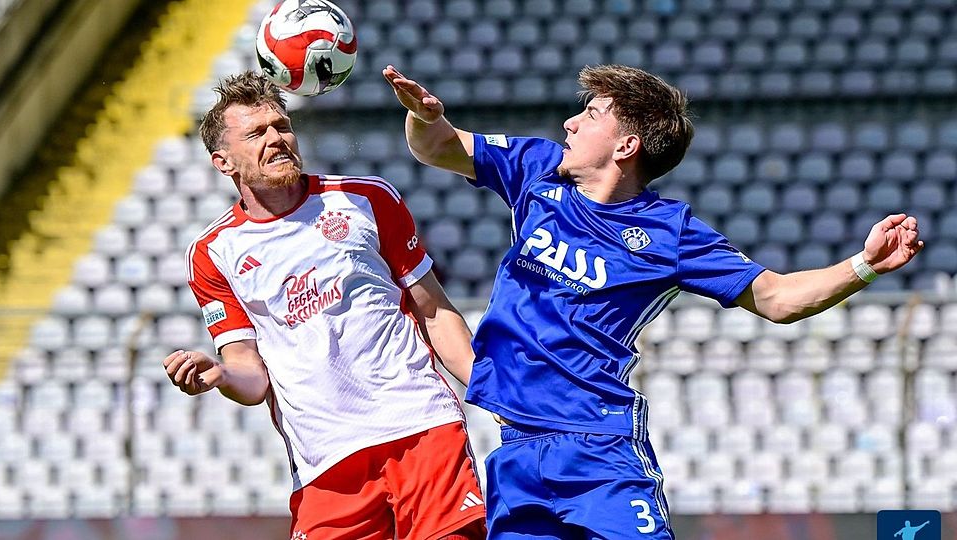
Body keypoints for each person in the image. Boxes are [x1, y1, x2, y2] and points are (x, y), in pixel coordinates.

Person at [383, 63, 924, 539]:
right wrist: (425, 117)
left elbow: (778, 298)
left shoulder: (670, 231)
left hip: (598, 446)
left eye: (591, 114)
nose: (570, 123)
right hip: (517, 452)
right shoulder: (537, 169)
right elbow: (437, 147)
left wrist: (865, 265)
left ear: (626, 146)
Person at [163, 71, 486, 540]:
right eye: (256, 133)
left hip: (420, 427)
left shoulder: (366, 199)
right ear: (223, 162)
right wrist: (219, 375)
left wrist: (493, 392)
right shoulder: (213, 252)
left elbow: (433, 311)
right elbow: (251, 377)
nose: (276, 139)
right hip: (325, 459)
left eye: (282, 126)